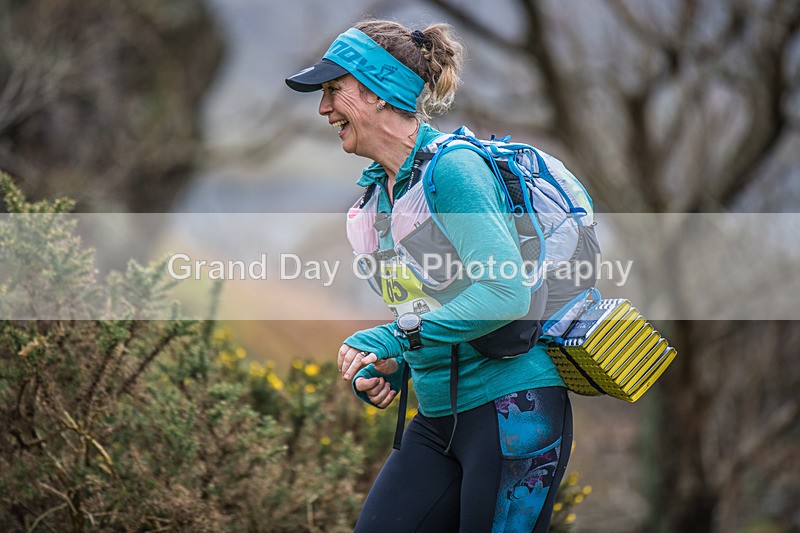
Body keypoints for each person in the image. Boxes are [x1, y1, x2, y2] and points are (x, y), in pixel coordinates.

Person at [286, 19, 573, 532]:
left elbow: (505, 294)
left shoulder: (455, 172)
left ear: (378, 93)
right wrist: (392, 365)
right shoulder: (377, 201)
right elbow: (429, 311)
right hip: (437, 420)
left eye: (334, 91)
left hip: (514, 411)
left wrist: (395, 338)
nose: (323, 108)